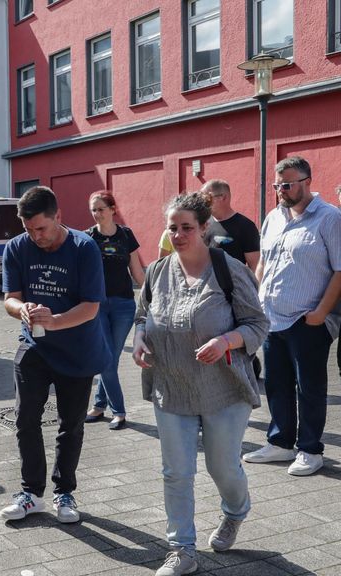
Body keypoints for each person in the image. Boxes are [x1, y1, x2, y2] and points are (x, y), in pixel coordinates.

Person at [133, 192, 269, 576]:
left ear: (205, 228)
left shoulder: (228, 270)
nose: (177, 234)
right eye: (172, 227)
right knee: (176, 471)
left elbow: (258, 324)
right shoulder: (159, 271)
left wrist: (227, 340)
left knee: (222, 467)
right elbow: (142, 315)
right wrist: (141, 338)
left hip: (223, 389)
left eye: (186, 227)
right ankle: (181, 549)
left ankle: (235, 511)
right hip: (172, 386)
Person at [0, 186, 109, 524]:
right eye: (28, 229)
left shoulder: (84, 248)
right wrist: (22, 310)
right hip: (34, 346)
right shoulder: (17, 248)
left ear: (58, 217)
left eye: (41, 229)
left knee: (71, 425)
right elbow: (9, 298)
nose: (35, 236)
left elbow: (91, 307)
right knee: (25, 420)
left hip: (77, 350)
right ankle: (31, 493)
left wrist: (57, 320)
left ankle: (65, 493)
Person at [244, 156, 341, 477]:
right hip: (273, 318)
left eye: (287, 184)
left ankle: (310, 450)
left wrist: (321, 313)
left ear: (307, 181)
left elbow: (340, 270)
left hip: (307, 321)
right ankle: (281, 442)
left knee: (309, 387)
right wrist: (258, 301)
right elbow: (263, 263)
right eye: (277, 185)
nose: (281, 190)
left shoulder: (329, 218)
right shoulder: (273, 217)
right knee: (276, 384)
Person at [85, 191, 145, 430]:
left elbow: (137, 272)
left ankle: (99, 405)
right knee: (107, 360)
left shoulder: (126, 235)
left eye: (101, 209)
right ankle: (118, 411)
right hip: (96, 306)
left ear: (112, 209)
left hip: (123, 305)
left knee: (111, 358)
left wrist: (151, 297)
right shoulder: (88, 238)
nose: (97, 214)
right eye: (93, 210)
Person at [201, 179, 260, 272]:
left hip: (232, 285)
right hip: (203, 284)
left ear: (223, 197)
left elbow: (255, 266)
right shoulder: (203, 223)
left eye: (206, 198)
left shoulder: (245, 226)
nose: (203, 203)